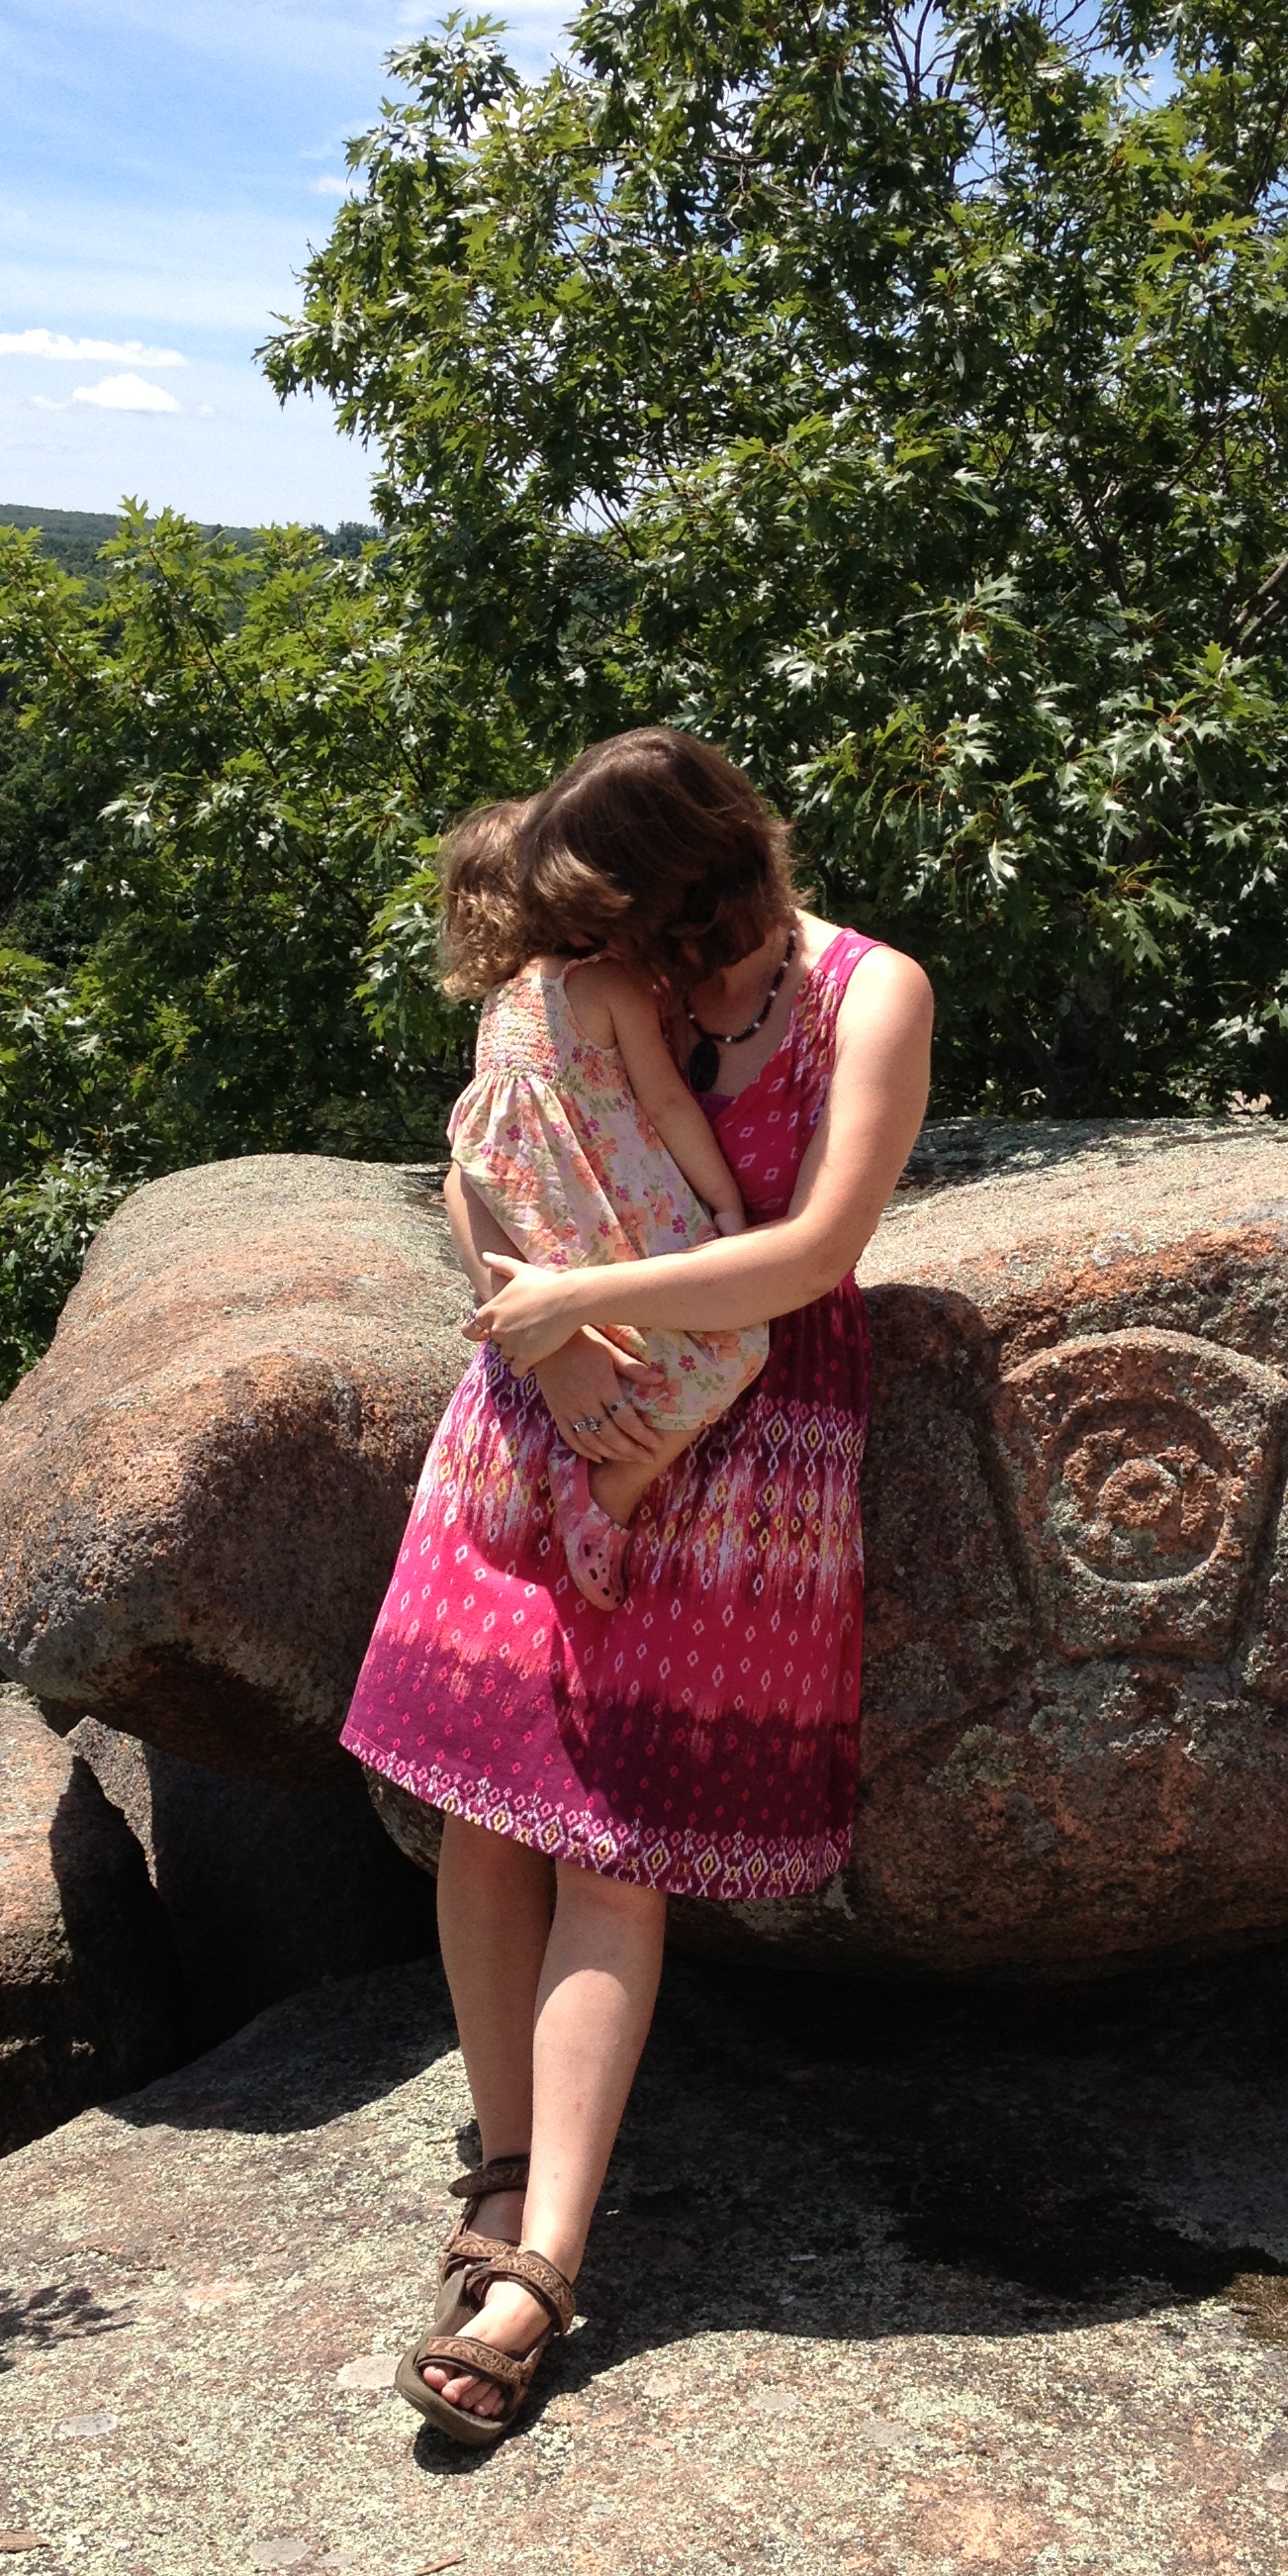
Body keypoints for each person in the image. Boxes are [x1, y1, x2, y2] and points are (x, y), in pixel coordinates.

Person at [339, 725, 933, 2445]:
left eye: (615, 919)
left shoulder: (868, 994)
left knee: (611, 1841)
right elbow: (480, 1157)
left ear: (699, 881)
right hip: (546, 1400)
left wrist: (580, 1315)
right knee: (482, 1806)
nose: (591, 948)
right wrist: (528, 1323)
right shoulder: (613, 968)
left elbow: (815, 1251)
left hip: (738, 1444)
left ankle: (539, 2263)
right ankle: (504, 2155)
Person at [434, 796, 770, 1611]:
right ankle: (609, 1494)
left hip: (552, 1230)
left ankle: (589, 1480)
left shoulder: (500, 1005)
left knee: (645, 1364)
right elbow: (667, 1104)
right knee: (735, 1345)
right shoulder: (606, 982)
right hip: (630, 1209)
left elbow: (480, 1152)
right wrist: (725, 1205)